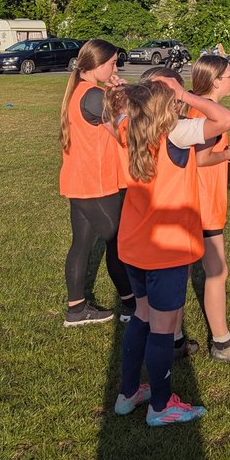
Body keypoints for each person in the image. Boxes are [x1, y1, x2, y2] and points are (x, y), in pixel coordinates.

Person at [106, 76, 230, 425]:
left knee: (142, 316)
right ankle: (161, 406)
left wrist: (123, 94)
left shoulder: (127, 127)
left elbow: (111, 113)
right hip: (167, 248)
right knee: (162, 329)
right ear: (165, 104)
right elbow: (227, 119)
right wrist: (185, 94)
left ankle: (128, 393)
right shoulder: (175, 133)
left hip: (134, 243)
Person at [185, 55, 230, 363]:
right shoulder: (207, 112)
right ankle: (222, 342)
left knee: (184, 269)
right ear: (215, 81)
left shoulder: (192, 107)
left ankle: (174, 337)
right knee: (217, 270)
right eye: (229, 76)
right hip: (204, 203)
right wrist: (228, 154)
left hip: (192, 200)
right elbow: (201, 159)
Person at [58, 39, 135, 327]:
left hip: (80, 181)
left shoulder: (81, 90)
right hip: (96, 184)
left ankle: (76, 309)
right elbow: (122, 132)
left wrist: (115, 94)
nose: (116, 69)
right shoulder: (92, 95)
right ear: (98, 64)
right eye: (113, 63)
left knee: (81, 244)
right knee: (118, 244)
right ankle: (132, 305)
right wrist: (124, 99)